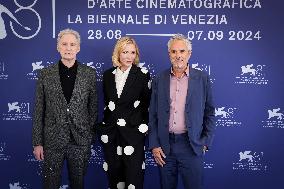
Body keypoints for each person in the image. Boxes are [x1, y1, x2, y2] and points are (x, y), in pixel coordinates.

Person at [32, 28, 97, 189]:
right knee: (50, 184)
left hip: (79, 141)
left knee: (78, 184)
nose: (68, 48)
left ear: (78, 48)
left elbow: (93, 109)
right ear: (58, 47)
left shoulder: (89, 74)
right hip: (52, 141)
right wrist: (37, 143)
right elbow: (39, 110)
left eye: (72, 44)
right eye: (64, 44)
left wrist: (87, 136)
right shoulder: (45, 74)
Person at [148, 34, 216, 189]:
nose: (178, 55)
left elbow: (210, 112)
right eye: (173, 52)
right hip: (165, 147)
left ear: (189, 54)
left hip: (191, 145)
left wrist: (205, 142)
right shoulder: (159, 78)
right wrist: (154, 144)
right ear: (169, 54)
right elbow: (152, 114)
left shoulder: (202, 78)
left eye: (182, 51)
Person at [98, 37, 151, 189]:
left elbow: (148, 104)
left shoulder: (142, 74)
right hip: (112, 135)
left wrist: (143, 128)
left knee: (133, 179)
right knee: (114, 178)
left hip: (133, 134)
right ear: (118, 54)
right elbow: (108, 105)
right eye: (125, 52)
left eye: (132, 52)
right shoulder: (108, 75)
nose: (129, 56)